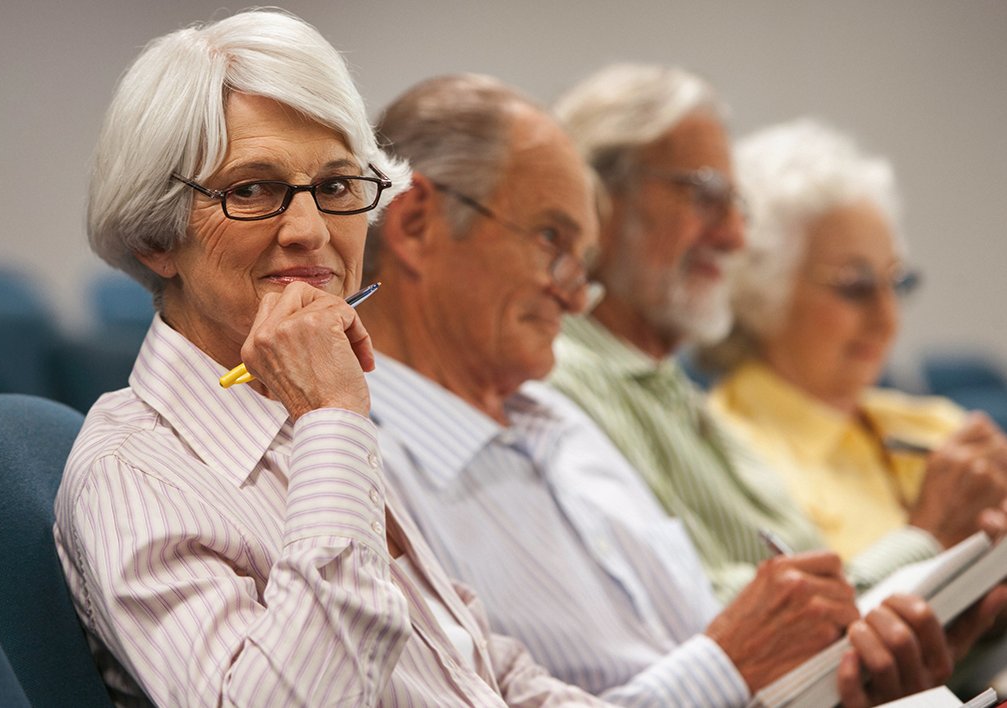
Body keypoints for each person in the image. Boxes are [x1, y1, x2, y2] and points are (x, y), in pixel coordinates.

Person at [358, 71, 996, 708]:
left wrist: (854, 679)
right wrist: (735, 664)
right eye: (552, 239)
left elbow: (737, 641)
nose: (577, 298)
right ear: (416, 224)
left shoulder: (554, 420)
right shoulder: (362, 476)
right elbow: (731, 650)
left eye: (583, 260)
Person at [52, 10, 609, 706]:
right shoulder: (135, 473)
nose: (311, 231)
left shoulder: (299, 417)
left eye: (337, 186)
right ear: (154, 237)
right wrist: (333, 419)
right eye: (251, 190)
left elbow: (478, 667)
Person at [547, 63, 1007, 602]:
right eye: (704, 195)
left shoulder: (670, 391)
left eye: (898, 283)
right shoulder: (563, 381)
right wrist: (930, 539)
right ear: (597, 198)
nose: (735, 236)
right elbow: (721, 619)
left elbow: (818, 598)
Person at [703, 117, 1007, 563]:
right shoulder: (726, 454)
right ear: (761, 287)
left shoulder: (938, 428)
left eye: (897, 283)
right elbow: (812, 607)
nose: (888, 320)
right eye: (855, 287)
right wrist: (931, 533)